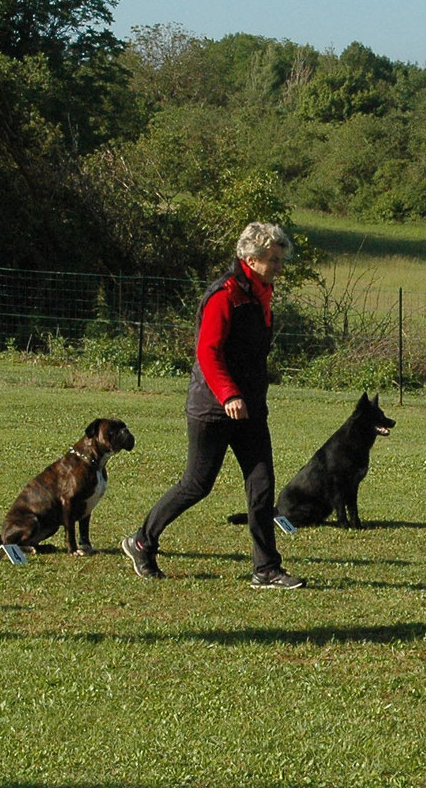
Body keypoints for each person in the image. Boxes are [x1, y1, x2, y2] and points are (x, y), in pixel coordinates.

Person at [123, 222, 306, 589]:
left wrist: (248, 395)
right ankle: (142, 541)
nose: (279, 267)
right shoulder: (224, 295)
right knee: (197, 484)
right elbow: (208, 352)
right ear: (251, 259)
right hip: (213, 406)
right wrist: (229, 395)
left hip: (250, 407)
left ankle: (266, 569)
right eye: (273, 260)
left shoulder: (260, 292)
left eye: (280, 260)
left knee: (262, 484)